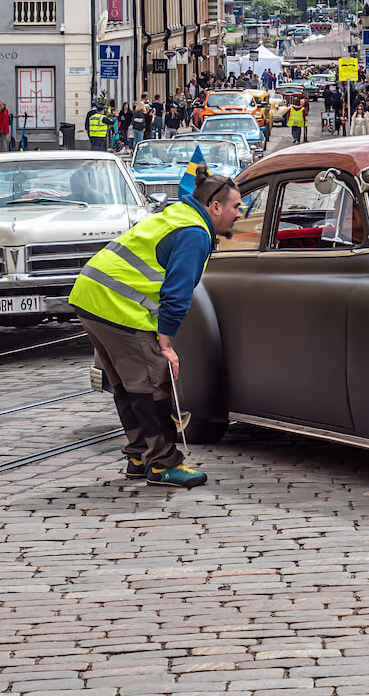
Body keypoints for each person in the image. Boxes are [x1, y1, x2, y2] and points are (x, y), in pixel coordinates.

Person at [68, 166, 242, 489]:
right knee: (152, 383)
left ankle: (138, 456)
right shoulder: (195, 234)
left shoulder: (177, 214)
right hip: (115, 304)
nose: (239, 214)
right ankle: (163, 464)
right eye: (235, 206)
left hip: (91, 294)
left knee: (126, 385)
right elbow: (176, 296)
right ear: (215, 207)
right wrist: (165, 346)